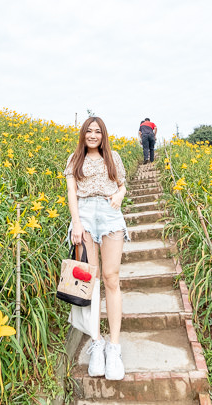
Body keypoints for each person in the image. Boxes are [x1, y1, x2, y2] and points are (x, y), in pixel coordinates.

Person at [64, 116, 128, 380]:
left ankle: (114, 347)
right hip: (85, 216)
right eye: (88, 131)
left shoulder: (114, 157)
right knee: (90, 281)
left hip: (111, 215)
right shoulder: (74, 159)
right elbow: (71, 192)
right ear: (83, 134)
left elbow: (122, 185)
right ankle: (96, 341)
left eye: (97, 131)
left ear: (103, 135)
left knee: (112, 279)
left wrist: (119, 195)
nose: (92, 135)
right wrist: (76, 223)